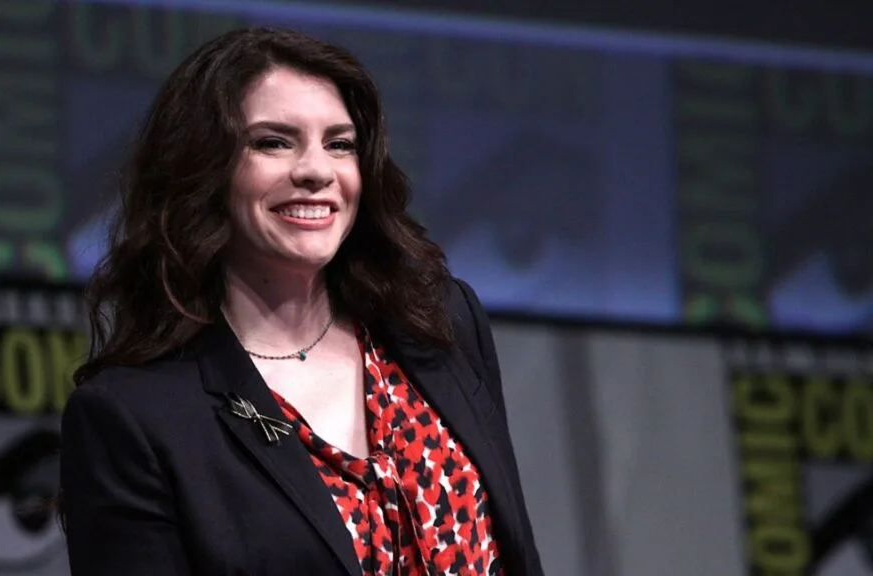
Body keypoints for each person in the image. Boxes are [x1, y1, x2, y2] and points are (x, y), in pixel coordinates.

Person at [60, 27, 545, 576]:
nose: (316, 171)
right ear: (203, 169)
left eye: (339, 144)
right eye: (274, 142)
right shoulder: (136, 418)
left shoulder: (440, 321)